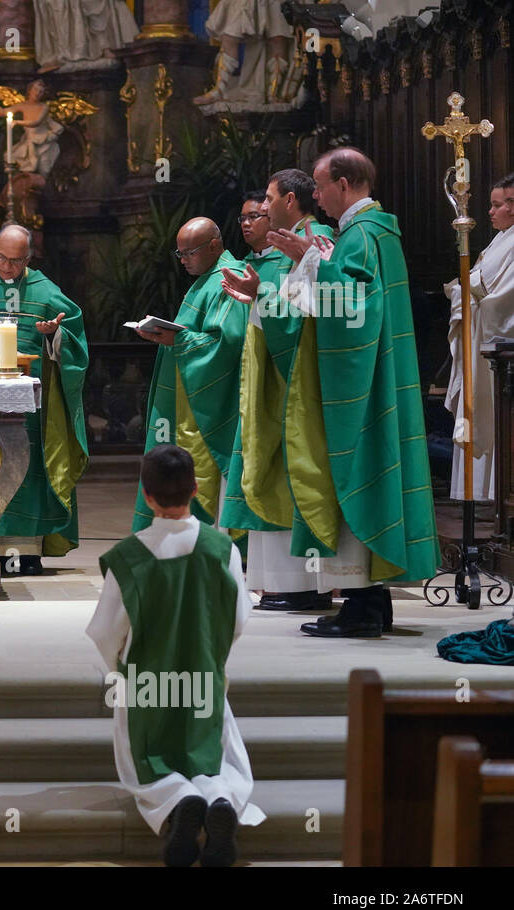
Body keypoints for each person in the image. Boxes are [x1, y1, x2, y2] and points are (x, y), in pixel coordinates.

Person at [221, 148, 440, 637]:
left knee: (353, 473)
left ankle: (362, 608)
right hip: (367, 378)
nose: (315, 197)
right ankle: (371, 602)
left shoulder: (363, 234)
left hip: (359, 386)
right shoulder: (367, 233)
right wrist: (270, 294)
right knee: (364, 477)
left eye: (320, 188)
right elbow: (322, 306)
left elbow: (354, 308)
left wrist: (311, 264)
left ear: (344, 183)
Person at [88, 444, 264, 867]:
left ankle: (178, 798)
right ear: (197, 488)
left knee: (145, 760)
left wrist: (121, 672)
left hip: (147, 684)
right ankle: (219, 797)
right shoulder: (223, 550)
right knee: (216, 753)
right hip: (204, 678)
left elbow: (105, 632)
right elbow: (238, 619)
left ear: (146, 494)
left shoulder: (127, 557)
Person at [220, 170, 336, 613]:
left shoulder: (316, 240)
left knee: (293, 476)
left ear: (291, 199)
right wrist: (259, 297)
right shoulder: (290, 241)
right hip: (274, 377)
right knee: (270, 471)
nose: (263, 208)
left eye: (268, 199)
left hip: (296, 383)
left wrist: (260, 295)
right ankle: (281, 584)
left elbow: (311, 311)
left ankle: (303, 586)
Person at [0, 224, 88, 574]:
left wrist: (55, 335)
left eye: (16, 260)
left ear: (29, 257)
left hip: (31, 407)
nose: (7, 267)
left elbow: (75, 337)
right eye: (1, 258)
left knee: (28, 469)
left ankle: (26, 551)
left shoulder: (47, 292)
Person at [132, 217, 249, 531]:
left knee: (211, 489)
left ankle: (217, 551)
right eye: (179, 254)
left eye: (190, 253)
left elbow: (229, 342)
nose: (183, 261)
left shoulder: (228, 277)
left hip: (211, 402)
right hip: (189, 397)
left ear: (214, 245)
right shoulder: (206, 279)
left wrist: (178, 339)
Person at [444, 171, 514, 502]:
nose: (489, 212)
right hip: (483, 344)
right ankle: (482, 495)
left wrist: (467, 292)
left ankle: (498, 495)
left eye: (496, 205)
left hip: (498, 350)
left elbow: (501, 300)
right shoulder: (501, 239)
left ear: (513, 207)